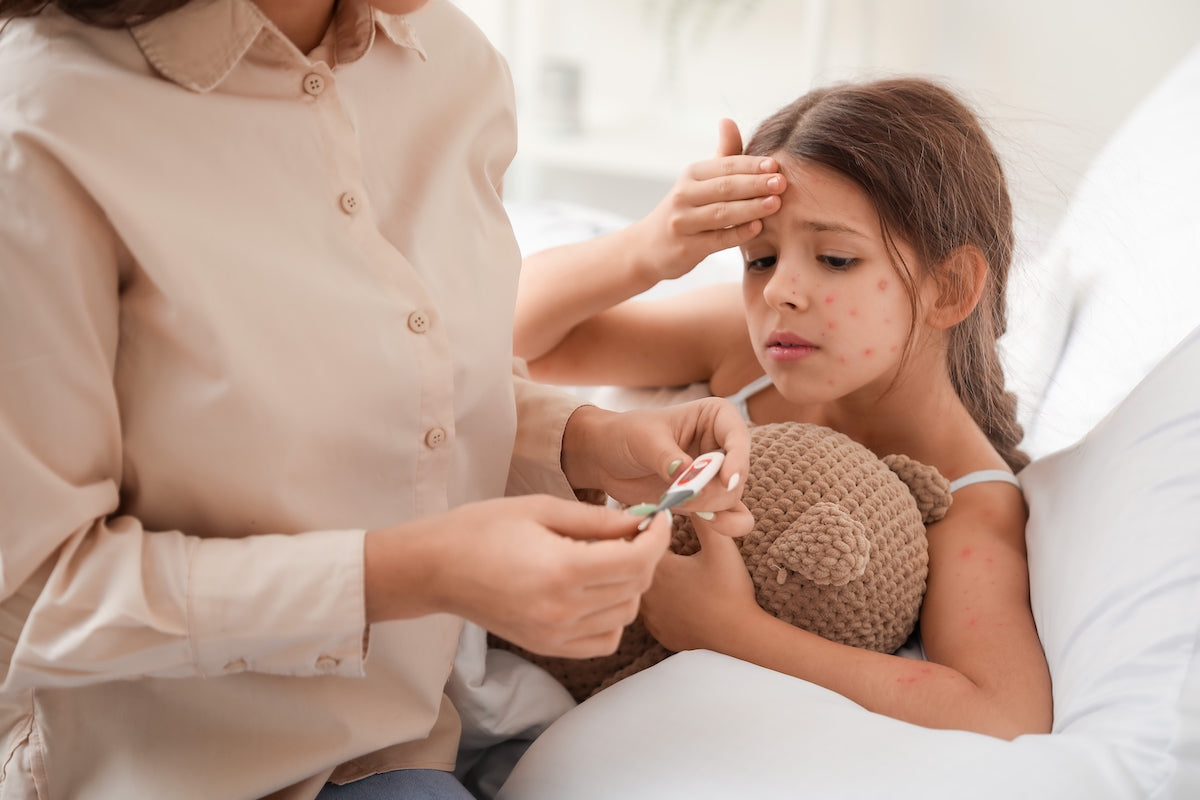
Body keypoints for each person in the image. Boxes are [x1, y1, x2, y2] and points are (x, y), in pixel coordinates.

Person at [0, 1, 754, 799]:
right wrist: (408, 574)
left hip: (407, 737)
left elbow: (393, 367)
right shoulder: (43, 129)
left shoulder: (451, 66)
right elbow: (36, 601)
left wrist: (584, 441)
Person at [514, 77, 1054, 739]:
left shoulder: (967, 498)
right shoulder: (740, 349)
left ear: (949, 287)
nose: (782, 292)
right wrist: (648, 246)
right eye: (760, 259)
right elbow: (514, 339)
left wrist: (729, 631)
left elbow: (1001, 712)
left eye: (834, 258)